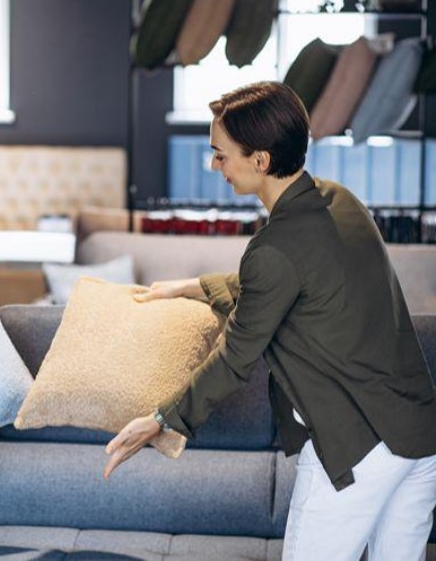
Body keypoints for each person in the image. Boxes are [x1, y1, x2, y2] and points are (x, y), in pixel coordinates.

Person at [102, 81, 436, 560]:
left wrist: (159, 420)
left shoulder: (273, 249)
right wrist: (190, 286)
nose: (215, 166)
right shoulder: (340, 201)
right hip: (420, 434)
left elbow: (233, 358)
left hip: (359, 448)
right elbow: (287, 283)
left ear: (260, 160)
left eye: (221, 155)